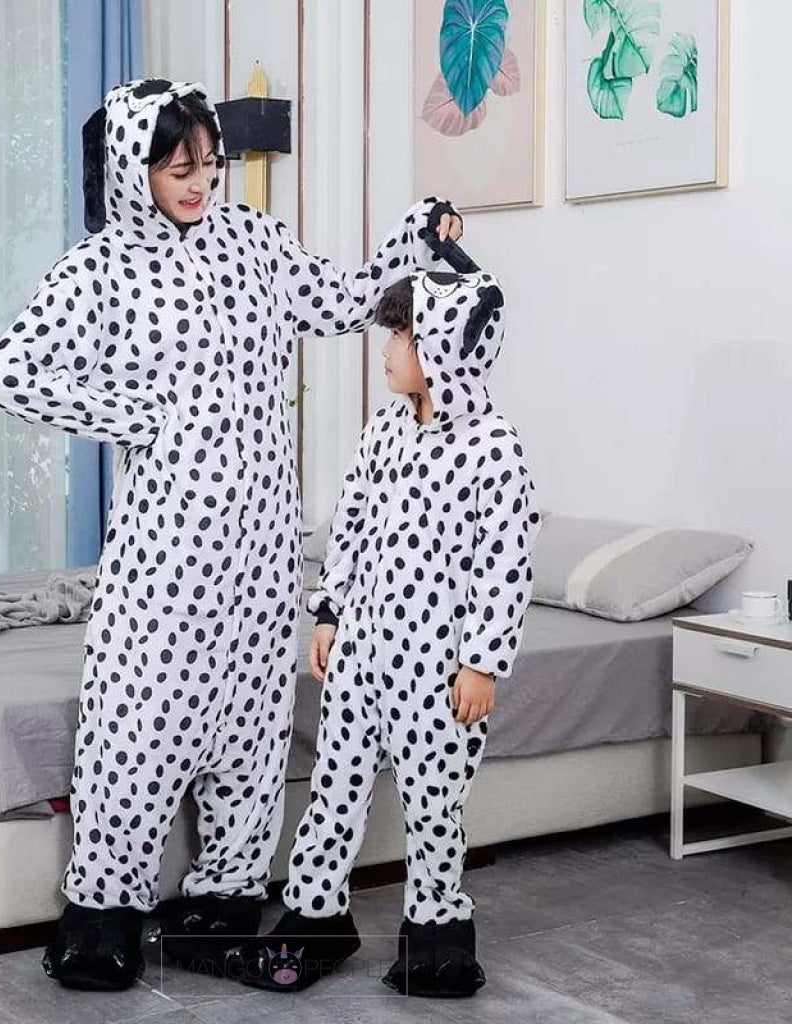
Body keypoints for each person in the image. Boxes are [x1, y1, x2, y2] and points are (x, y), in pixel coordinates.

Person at [0, 77, 462, 991]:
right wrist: (137, 415)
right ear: (135, 169)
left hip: (265, 548)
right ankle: (103, 915)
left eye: (209, 162)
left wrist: (412, 240)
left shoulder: (255, 240)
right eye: (178, 168)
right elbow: (9, 372)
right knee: (138, 724)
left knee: (253, 727)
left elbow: (345, 300)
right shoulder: (102, 268)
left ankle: (226, 895)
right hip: (169, 550)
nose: (200, 182)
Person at [233, 263, 541, 998]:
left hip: (438, 670)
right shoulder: (384, 433)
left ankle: (437, 936)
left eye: (401, 335)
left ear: (443, 344)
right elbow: (350, 528)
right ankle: (315, 918)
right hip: (361, 654)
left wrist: (483, 662)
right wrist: (329, 612)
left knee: (434, 808)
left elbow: (506, 565)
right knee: (334, 792)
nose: (388, 349)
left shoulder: (494, 448)